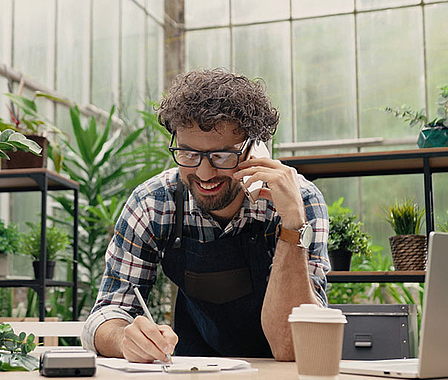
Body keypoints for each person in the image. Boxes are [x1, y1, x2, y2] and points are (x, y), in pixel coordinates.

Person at [81, 68, 330, 362]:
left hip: (280, 377)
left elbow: (293, 346)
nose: (204, 172)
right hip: (193, 373)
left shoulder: (299, 202)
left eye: (222, 156)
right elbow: (106, 314)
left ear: (257, 149)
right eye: (188, 154)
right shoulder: (153, 203)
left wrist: (291, 226)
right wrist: (125, 339)